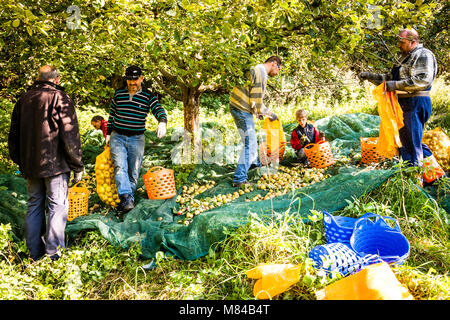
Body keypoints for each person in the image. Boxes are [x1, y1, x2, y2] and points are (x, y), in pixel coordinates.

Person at [8, 65, 84, 261]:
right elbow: (70, 135)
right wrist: (77, 165)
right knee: (57, 206)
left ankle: (34, 253)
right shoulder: (60, 98)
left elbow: (13, 135)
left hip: (31, 164)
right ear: (56, 80)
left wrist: (20, 161)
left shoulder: (24, 99)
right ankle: (53, 255)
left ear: (38, 78)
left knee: (34, 205)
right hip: (55, 165)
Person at [359, 28, 438, 171]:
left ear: (412, 41)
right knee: (406, 142)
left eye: (401, 42)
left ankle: (413, 178)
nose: (398, 45)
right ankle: (434, 175)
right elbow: (389, 80)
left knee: (411, 143)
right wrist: (369, 76)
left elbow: (423, 80)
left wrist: (395, 85)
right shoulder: (404, 57)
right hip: (402, 104)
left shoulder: (423, 54)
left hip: (415, 102)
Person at [105, 65, 167, 213]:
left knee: (134, 171)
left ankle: (128, 199)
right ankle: (126, 197)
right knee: (120, 167)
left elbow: (158, 109)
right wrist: (107, 134)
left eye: (135, 80)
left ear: (141, 78)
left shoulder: (148, 96)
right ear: (126, 80)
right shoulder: (119, 94)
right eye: (130, 80)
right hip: (117, 136)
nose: (132, 83)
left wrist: (162, 122)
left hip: (136, 138)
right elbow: (112, 115)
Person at [229, 56, 282, 188]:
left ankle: (254, 165)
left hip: (239, 106)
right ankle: (239, 179)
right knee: (251, 145)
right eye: (279, 69)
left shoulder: (258, 69)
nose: (278, 72)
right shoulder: (261, 73)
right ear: (274, 64)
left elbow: (252, 97)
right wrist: (270, 114)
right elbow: (258, 102)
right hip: (241, 109)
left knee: (250, 141)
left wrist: (256, 112)